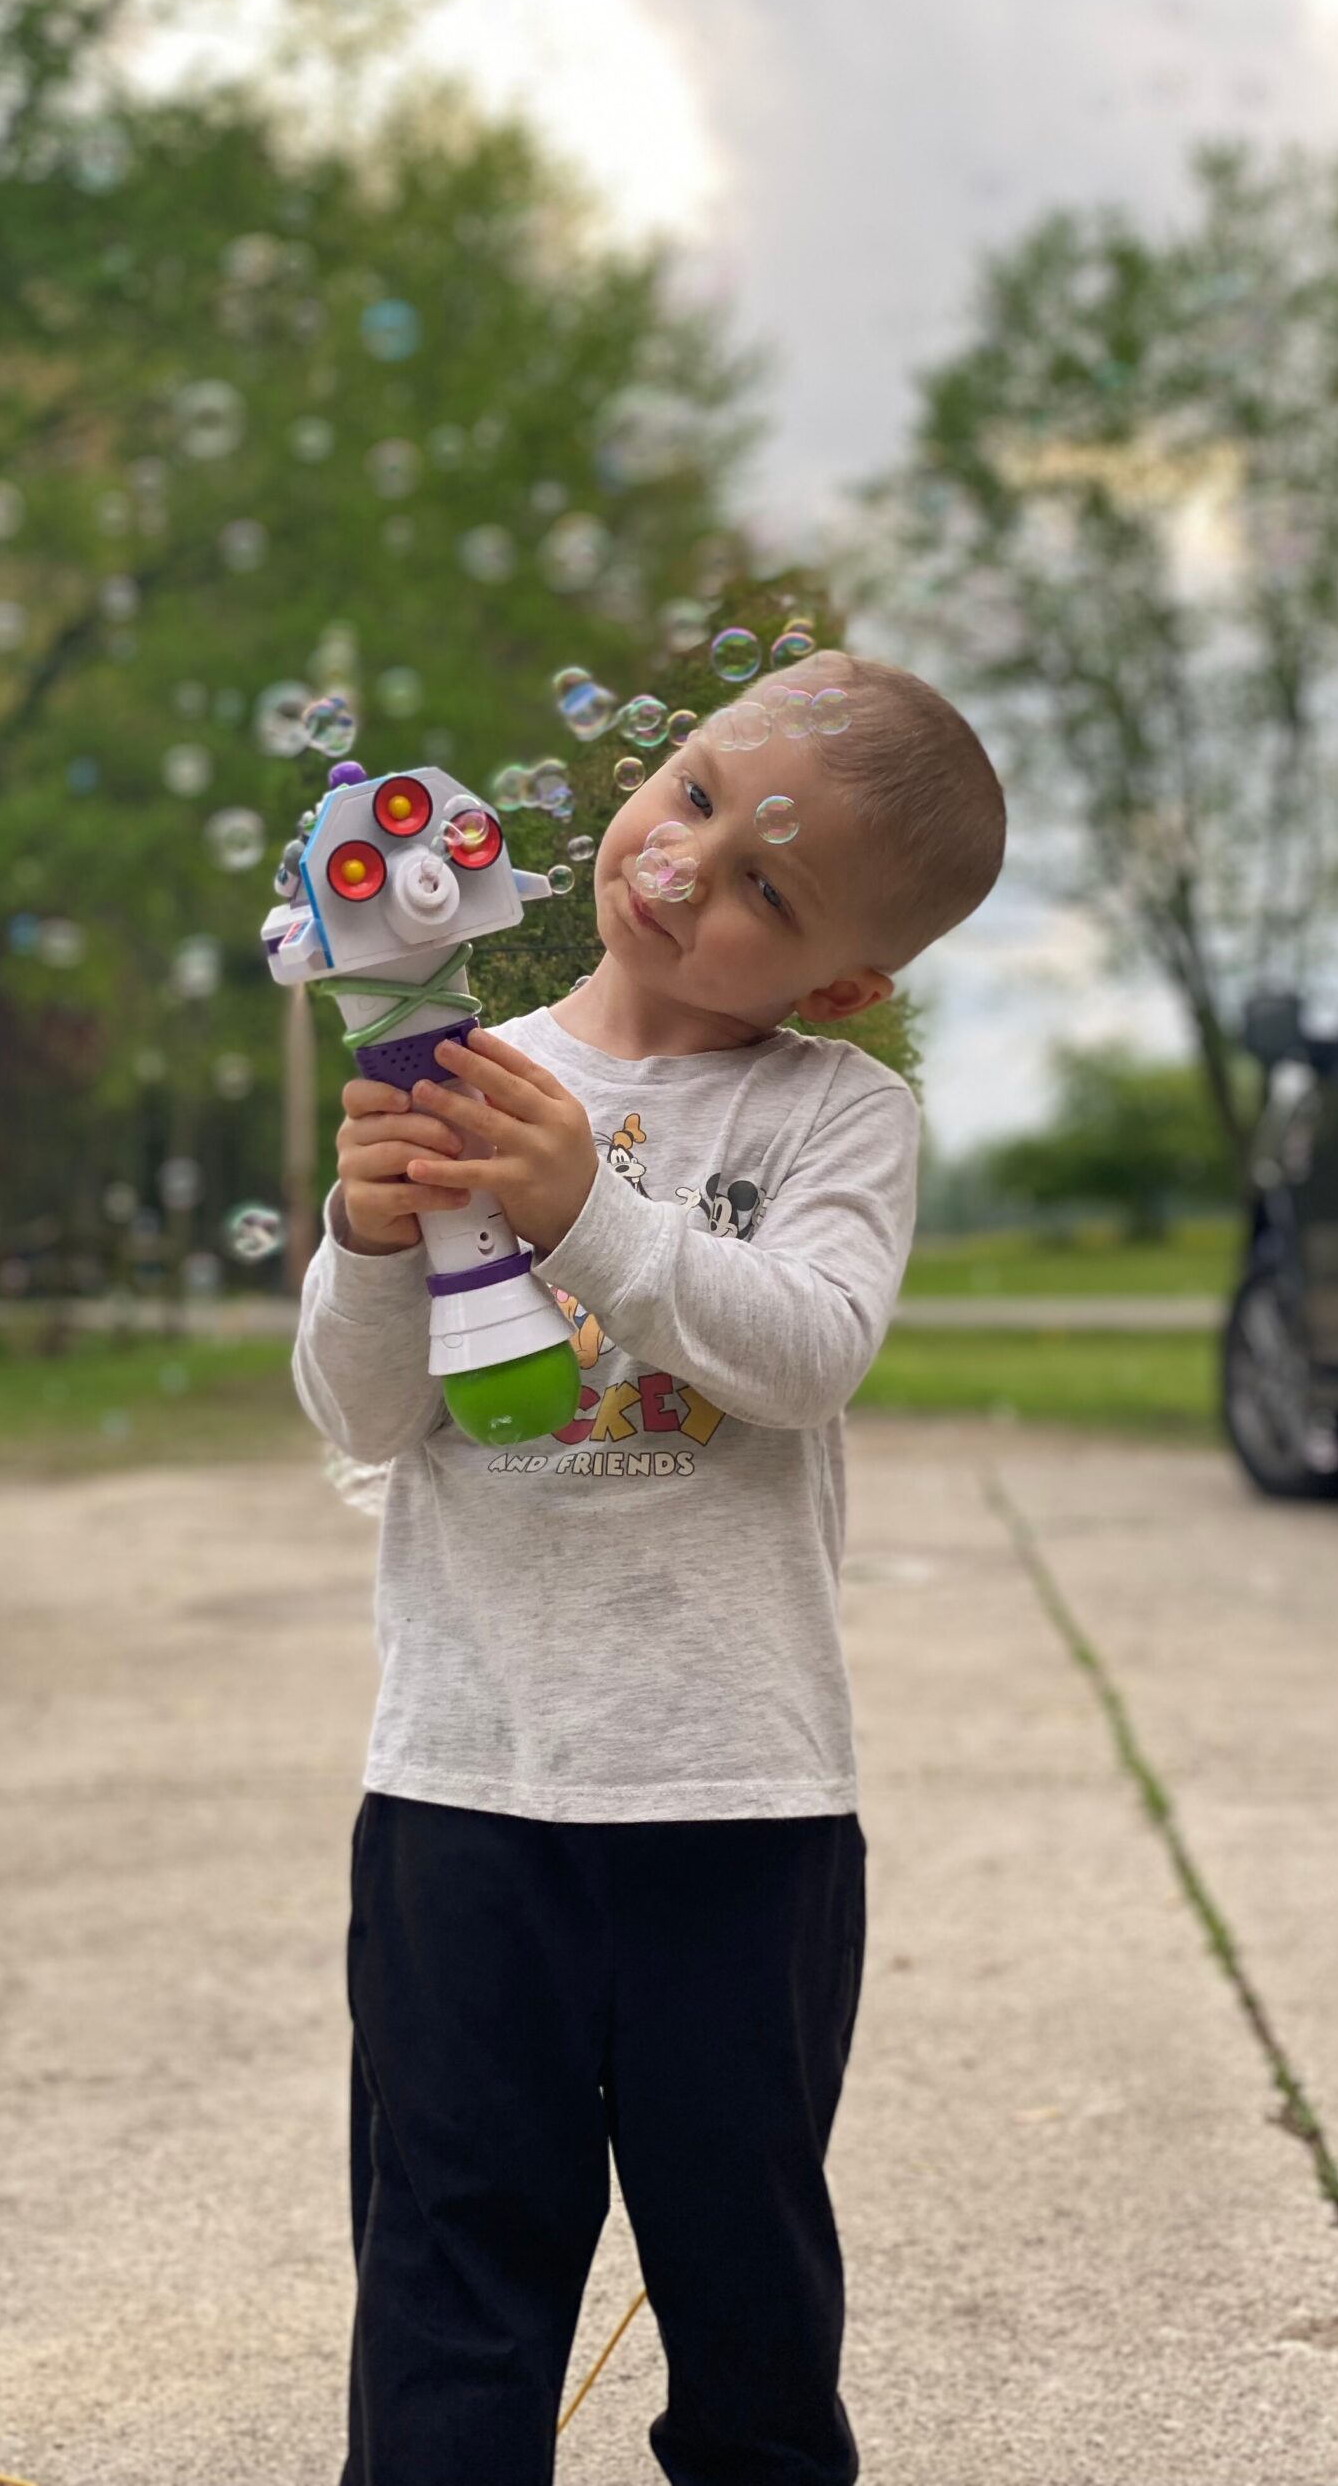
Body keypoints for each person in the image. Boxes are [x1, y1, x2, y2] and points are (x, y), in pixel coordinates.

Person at [295, 647, 1006, 2484]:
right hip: (466, 1795)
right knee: (448, 2286)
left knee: (748, 2293)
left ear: (840, 984)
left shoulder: (835, 1113)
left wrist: (585, 1209)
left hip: (736, 1811)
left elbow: (808, 1352)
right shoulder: (464, 1070)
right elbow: (367, 1415)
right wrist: (367, 1240)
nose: (685, 868)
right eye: (691, 794)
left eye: (768, 883)